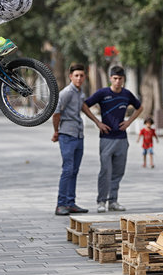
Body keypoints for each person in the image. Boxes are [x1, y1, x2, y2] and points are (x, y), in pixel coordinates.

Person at [84, 66, 143, 213]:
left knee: (118, 172)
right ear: (111, 78)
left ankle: (113, 201)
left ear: (123, 79)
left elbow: (140, 108)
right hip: (106, 138)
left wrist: (129, 122)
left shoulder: (127, 94)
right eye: (115, 78)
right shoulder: (102, 93)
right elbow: (84, 105)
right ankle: (101, 201)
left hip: (122, 139)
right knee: (105, 171)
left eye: (120, 79)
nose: (117, 81)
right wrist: (97, 122)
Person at [52, 64, 89, 216]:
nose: (79, 78)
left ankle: (70, 203)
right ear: (70, 77)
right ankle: (60, 204)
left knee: (74, 170)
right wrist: (56, 131)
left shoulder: (80, 93)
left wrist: (98, 122)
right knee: (67, 170)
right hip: (67, 135)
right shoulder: (66, 93)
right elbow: (56, 113)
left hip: (79, 135)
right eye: (76, 75)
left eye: (81, 75)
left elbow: (83, 108)